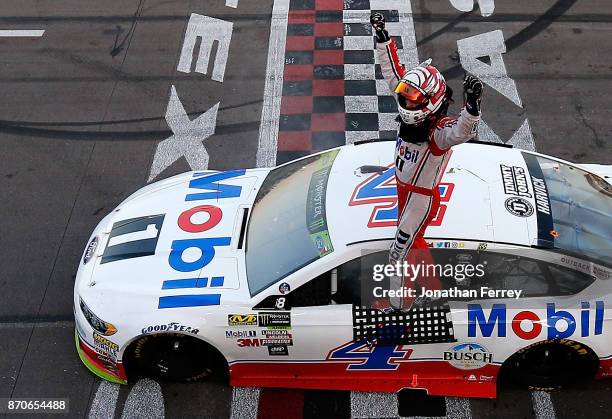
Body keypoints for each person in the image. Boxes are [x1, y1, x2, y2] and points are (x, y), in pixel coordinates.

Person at [370, 13, 484, 310]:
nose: (406, 103)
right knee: (416, 244)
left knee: (397, 254)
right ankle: (434, 289)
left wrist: (471, 108)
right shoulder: (416, 104)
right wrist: (382, 38)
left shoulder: (437, 132)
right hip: (403, 189)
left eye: (412, 100)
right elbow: (392, 73)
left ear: (430, 101)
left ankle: (400, 306)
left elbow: (461, 133)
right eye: (405, 98)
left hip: (418, 198)